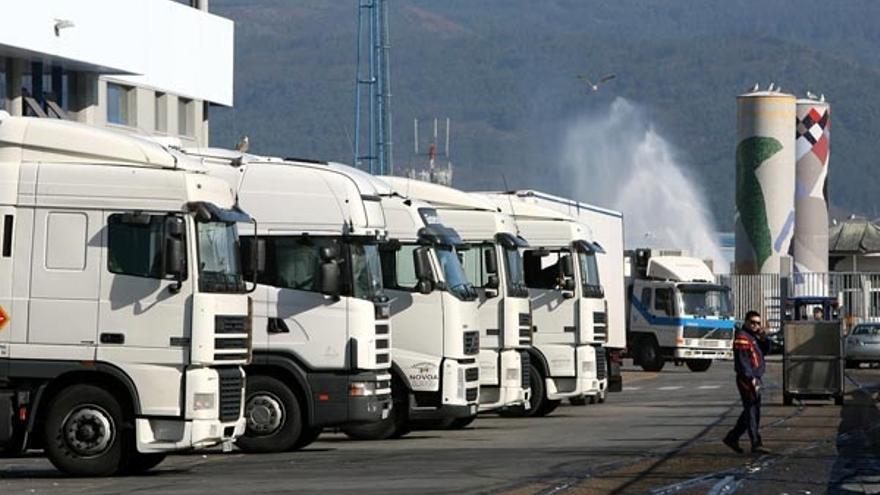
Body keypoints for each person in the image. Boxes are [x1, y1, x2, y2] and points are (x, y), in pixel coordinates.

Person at [723, 310, 771, 455]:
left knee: (751, 410)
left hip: (754, 377)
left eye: (758, 323)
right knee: (751, 410)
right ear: (746, 322)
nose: (756, 325)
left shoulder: (753, 337)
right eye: (753, 322)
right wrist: (751, 379)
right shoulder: (742, 338)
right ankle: (755, 443)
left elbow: (765, 351)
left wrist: (764, 338)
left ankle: (733, 437)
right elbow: (743, 362)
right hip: (747, 379)